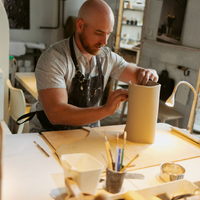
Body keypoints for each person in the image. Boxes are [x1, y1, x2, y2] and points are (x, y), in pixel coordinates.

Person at [27, 0, 158, 133]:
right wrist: (105, 110)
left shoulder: (107, 57)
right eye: (99, 33)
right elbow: (57, 114)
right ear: (80, 25)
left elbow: (138, 76)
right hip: (48, 134)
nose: (104, 41)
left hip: (88, 133)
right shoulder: (54, 58)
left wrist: (148, 73)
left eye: (108, 33)